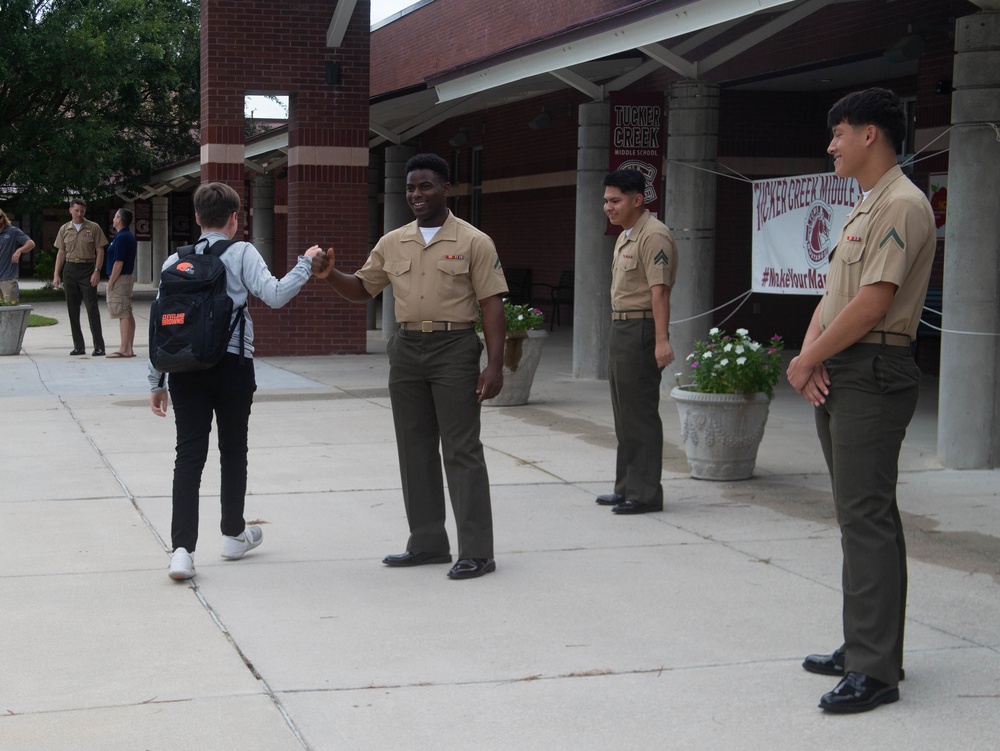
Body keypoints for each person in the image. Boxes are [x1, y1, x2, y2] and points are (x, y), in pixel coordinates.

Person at [786, 88, 935, 714]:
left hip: (873, 368)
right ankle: (867, 645)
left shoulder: (902, 203)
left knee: (866, 516)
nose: (832, 145)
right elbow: (833, 294)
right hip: (843, 365)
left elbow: (873, 303)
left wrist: (810, 360)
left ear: (870, 134)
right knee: (861, 514)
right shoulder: (866, 206)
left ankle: (875, 670)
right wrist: (809, 354)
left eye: (839, 133)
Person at [311, 153, 507, 580]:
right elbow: (364, 288)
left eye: (426, 186)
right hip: (406, 348)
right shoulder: (392, 242)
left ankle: (477, 551)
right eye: (411, 188)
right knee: (414, 450)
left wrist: (495, 364)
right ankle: (427, 543)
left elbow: (492, 304)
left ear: (446, 189)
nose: (417, 195)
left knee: (462, 450)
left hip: (454, 348)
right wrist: (330, 275)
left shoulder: (475, 241)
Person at [149, 182, 321, 581]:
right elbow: (275, 295)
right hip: (232, 366)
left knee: (188, 456)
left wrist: (156, 381)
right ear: (234, 218)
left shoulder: (175, 259)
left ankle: (181, 552)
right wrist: (305, 263)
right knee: (233, 450)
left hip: (183, 370)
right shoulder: (242, 251)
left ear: (196, 218)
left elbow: (163, 325)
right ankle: (232, 535)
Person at [594, 169, 677, 515]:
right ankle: (626, 486)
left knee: (639, 413)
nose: (607, 207)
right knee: (623, 412)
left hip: (641, 329)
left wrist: (661, 340)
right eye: (605, 200)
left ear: (637, 200)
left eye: (615, 201)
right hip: (621, 329)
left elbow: (659, 293)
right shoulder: (627, 235)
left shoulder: (654, 236)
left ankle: (644, 493)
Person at [53, 198, 107, 356]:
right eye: (76, 210)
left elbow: (100, 251)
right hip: (70, 268)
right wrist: (57, 273)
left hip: (87, 268)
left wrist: (97, 271)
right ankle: (79, 346)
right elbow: (61, 252)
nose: (79, 213)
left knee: (92, 308)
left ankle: (99, 346)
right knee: (72, 308)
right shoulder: (64, 229)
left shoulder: (93, 227)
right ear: (70, 210)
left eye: (82, 211)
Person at [105, 208, 137, 357]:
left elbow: (119, 262)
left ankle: (124, 348)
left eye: (115, 217)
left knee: (122, 312)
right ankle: (129, 348)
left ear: (120, 219)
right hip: (125, 277)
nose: (113, 219)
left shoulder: (122, 237)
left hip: (120, 278)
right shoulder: (124, 236)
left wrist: (111, 281)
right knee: (127, 311)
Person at [0, 209, 35, 304]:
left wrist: (19, 250)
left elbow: (30, 243)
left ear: (3, 218)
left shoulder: (12, 231)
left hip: (8, 279)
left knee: (11, 311)